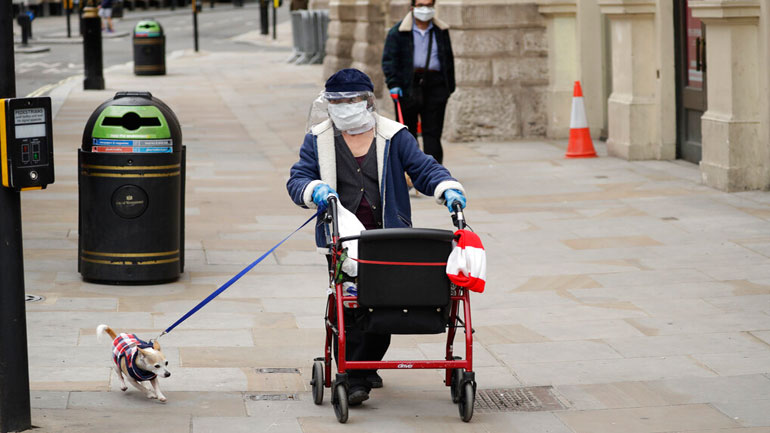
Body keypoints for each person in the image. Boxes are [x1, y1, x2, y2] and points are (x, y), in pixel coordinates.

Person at [286, 68, 466, 406]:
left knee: (386, 299)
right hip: (343, 238)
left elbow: (424, 169)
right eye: (336, 101)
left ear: (367, 102)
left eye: (351, 100)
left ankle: (366, 364)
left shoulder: (394, 135)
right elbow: (297, 179)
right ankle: (355, 377)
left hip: (389, 236)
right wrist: (314, 189)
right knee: (352, 305)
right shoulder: (319, 138)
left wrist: (447, 188)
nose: (344, 107)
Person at [382, 0, 455, 165]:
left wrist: (448, 87)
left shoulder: (440, 31)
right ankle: (410, 172)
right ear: (412, 8)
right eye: (421, 5)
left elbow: (448, 59)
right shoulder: (398, 32)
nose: (425, 9)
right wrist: (394, 84)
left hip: (435, 85)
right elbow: (389, 61)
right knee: (407, 133)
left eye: (429, 5)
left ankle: (434, 174)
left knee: (433, 133)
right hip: (408, 85)